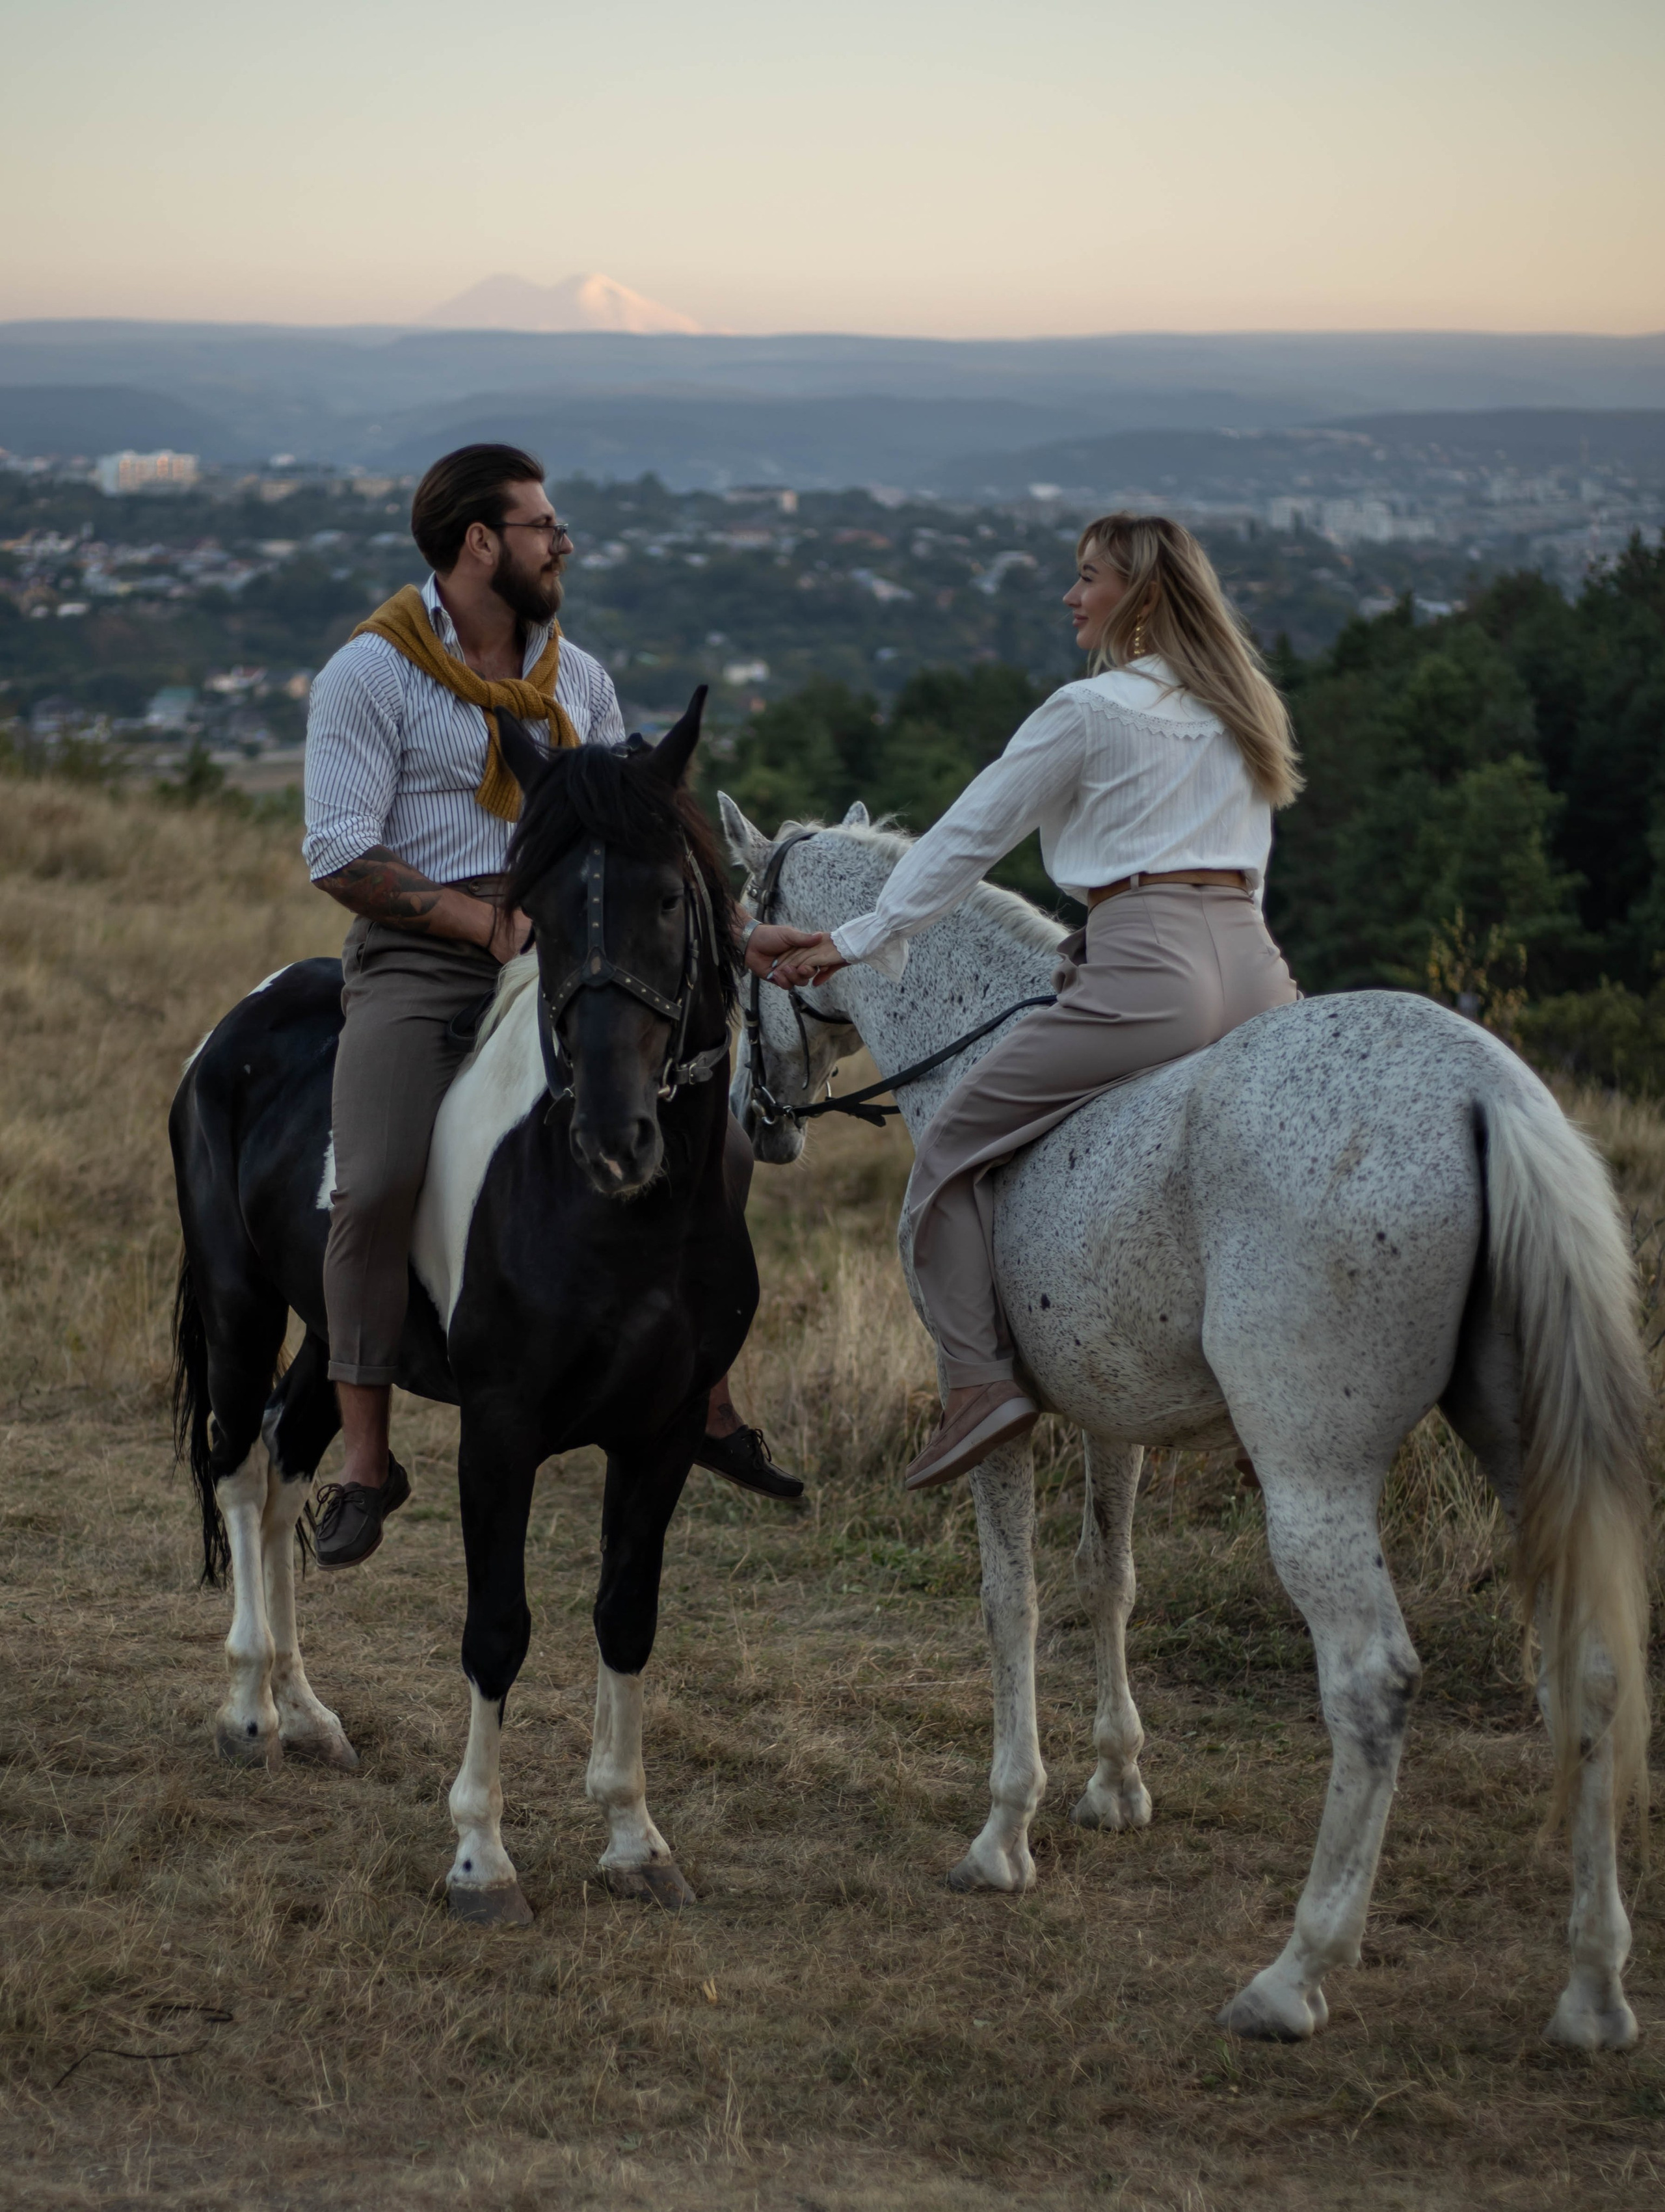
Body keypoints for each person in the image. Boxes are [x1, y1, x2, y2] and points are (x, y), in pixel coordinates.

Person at [301, 444, 817, 1568]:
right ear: (479, 543)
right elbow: (340, 851)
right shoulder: (370, 675)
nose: (561, 542)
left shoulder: (576, 679)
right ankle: (365, 1461)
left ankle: (704, 1395)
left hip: (575, 949)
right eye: (541, 526)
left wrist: (729, 938)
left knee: (717, 1146)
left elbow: (639, 836)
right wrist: (482, 925)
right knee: (377, 1175)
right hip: (426, 955)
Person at [773, 512, 1302, 1491]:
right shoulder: (1245, 703)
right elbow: (1249, 874)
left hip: (1151, 970)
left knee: (949, 1152)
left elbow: (963, 842)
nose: (1072, 594)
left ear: (1138, 595)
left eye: (1088, 577)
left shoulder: (1086, 711)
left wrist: (845, 942)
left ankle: (981, 1386)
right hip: (1259, 968)